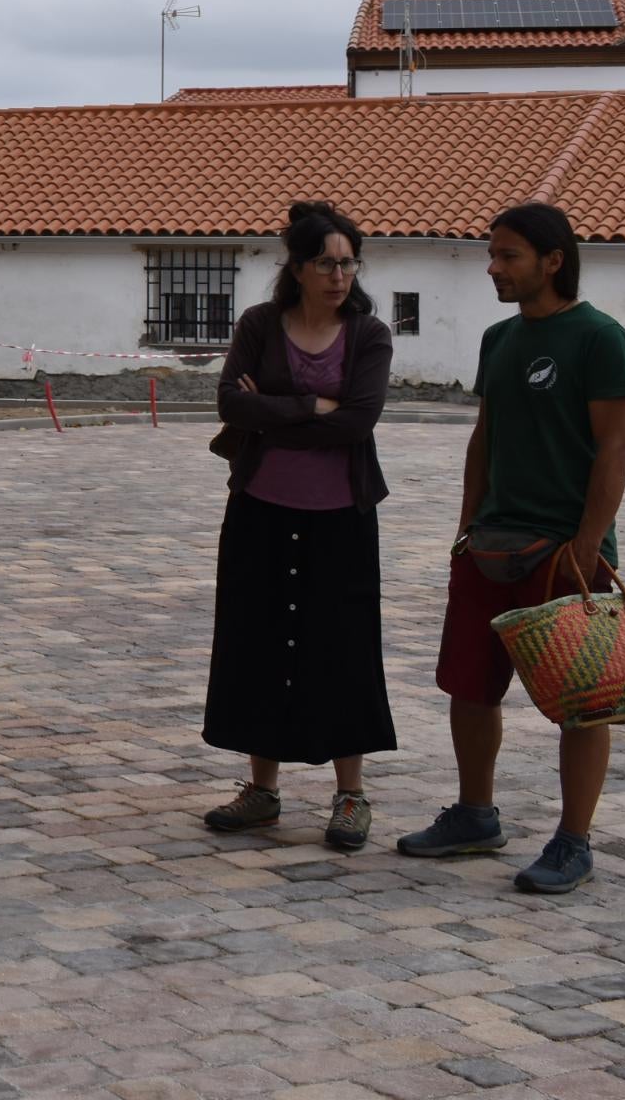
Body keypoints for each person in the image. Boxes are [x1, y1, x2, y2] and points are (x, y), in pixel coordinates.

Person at [398, 203, 625, 895]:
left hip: (565, 553)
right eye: (492, 254)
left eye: (508, 256)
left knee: (580, 701)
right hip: (490, 547)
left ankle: (573, 841)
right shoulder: (499, 339)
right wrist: (466, 527)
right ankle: (475, 816)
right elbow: (485, 436)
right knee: (470, 687)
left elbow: (615, 446)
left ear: (552, 261)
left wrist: (587, 547)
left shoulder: (601, 340)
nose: (493, 268)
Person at [202, 201, 398, 850]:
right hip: (260, 506)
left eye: (348, 263)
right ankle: (262, 790)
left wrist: (273, 409)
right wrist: (313, 403)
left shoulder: (368, 335)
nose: (339, 275)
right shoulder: (261, 323)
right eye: (326, 262)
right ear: (298, 266)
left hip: (342, 513)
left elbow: (359, 421)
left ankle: (350, 794)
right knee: (258, 640)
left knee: (340, 644)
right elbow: (231, 400)